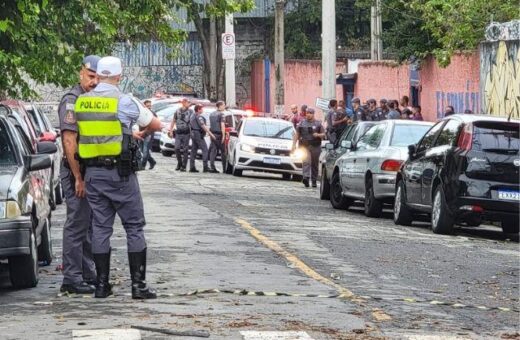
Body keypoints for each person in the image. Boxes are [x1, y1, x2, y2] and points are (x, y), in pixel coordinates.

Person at [75, 56, 161, 299]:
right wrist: (136, 132)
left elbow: (94, 132)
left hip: (92, 174)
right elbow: (156, 124)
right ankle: (138, 286)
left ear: (98, 75)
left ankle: (101, 286)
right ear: (119, 76)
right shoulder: (125, 101)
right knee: (134, 227)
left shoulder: (82, 102)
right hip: (120, 175)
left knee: (100, 228)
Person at [57, 55, 100, 295]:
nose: (94, 81)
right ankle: (72, 278)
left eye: (97, 77)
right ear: (80, 73)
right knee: (76, 224)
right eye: (90, 76)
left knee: (87, 224)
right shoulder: (72, 100)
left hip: (90, 170)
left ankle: (87, 272)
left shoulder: (91, 100)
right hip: (77, 170)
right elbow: (69, 139)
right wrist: (78, 177)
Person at [292, 108, 326, 188]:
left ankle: (314, 180)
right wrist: (293, 145)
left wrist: (318, 135)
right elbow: (297, 134)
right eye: (307, 113)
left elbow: (324, 134)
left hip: (315, 146)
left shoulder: (318, 123)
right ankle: (306, 178)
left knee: (314, 163)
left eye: (310, 113)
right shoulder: (302, 123)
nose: (308, 114)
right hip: (305, 146)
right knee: (306, 161)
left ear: (313, 114)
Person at [189, 104, 215, 172]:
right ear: (198, 110)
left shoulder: (192, 115)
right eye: (201, 109)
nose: (202, 110)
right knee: (205, 149)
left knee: (193, 150)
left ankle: (192, 167)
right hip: (198, 134)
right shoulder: (199, 116)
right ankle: (205, 167)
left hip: (193, 133)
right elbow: (203, 126)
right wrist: (211, 134)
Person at [169, 98, 192, 171]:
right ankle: (179, 162)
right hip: (178, 132)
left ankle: (184, 166)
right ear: (184, 103)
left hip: (186, 133)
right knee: (176, 148)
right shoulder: (177, 111)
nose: (189, 104)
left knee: (185, 150)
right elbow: (173, 121)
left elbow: (193, 122)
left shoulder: (191, 111)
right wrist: (171, 130)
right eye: (188, 102)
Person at [208, 101, 226, 173]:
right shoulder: (221, 114)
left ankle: (212, 167)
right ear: (220, 106)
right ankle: (224, 168)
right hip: (219, 134)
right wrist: (223, 135)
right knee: (223, 152)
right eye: (224, 105)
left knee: (213, 151)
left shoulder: (211, 114)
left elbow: (211, 125)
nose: (224, 106)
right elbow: (222, 125)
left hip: (213, 134)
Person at [139, 100, 157, 170]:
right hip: (141, 134)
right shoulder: (141, 113)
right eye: (147, 106)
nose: (149, 107)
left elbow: (156, 124)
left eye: (150, 106)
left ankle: (143, 165)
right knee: (141, 150)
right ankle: (152, 161)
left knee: (145, 150)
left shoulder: (153, 114)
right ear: (144, 106)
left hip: (149, 134)